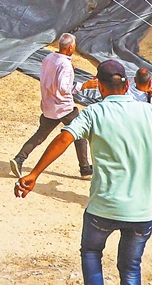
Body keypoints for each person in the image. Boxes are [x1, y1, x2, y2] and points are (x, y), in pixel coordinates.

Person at [14, 60, 152, 285]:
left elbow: (63, 139)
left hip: (103, 207)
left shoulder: (94, 113)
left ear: (99, 86)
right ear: (128, 85)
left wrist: (35, 174)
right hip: (141, 211)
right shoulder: (150, 112)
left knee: (91, 253)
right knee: (130, 269)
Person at [10, 33, 97, 179]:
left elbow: (52, 76)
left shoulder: (49, 58)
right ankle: (84, 168)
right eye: (74, 45)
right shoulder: (65, 65)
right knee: (80, 133)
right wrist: (84, 85)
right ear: (70, 47)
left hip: (49, 105)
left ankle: (19, 159)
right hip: (64, 107)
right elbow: (63, 88)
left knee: (40, 135)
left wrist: (69, 69)